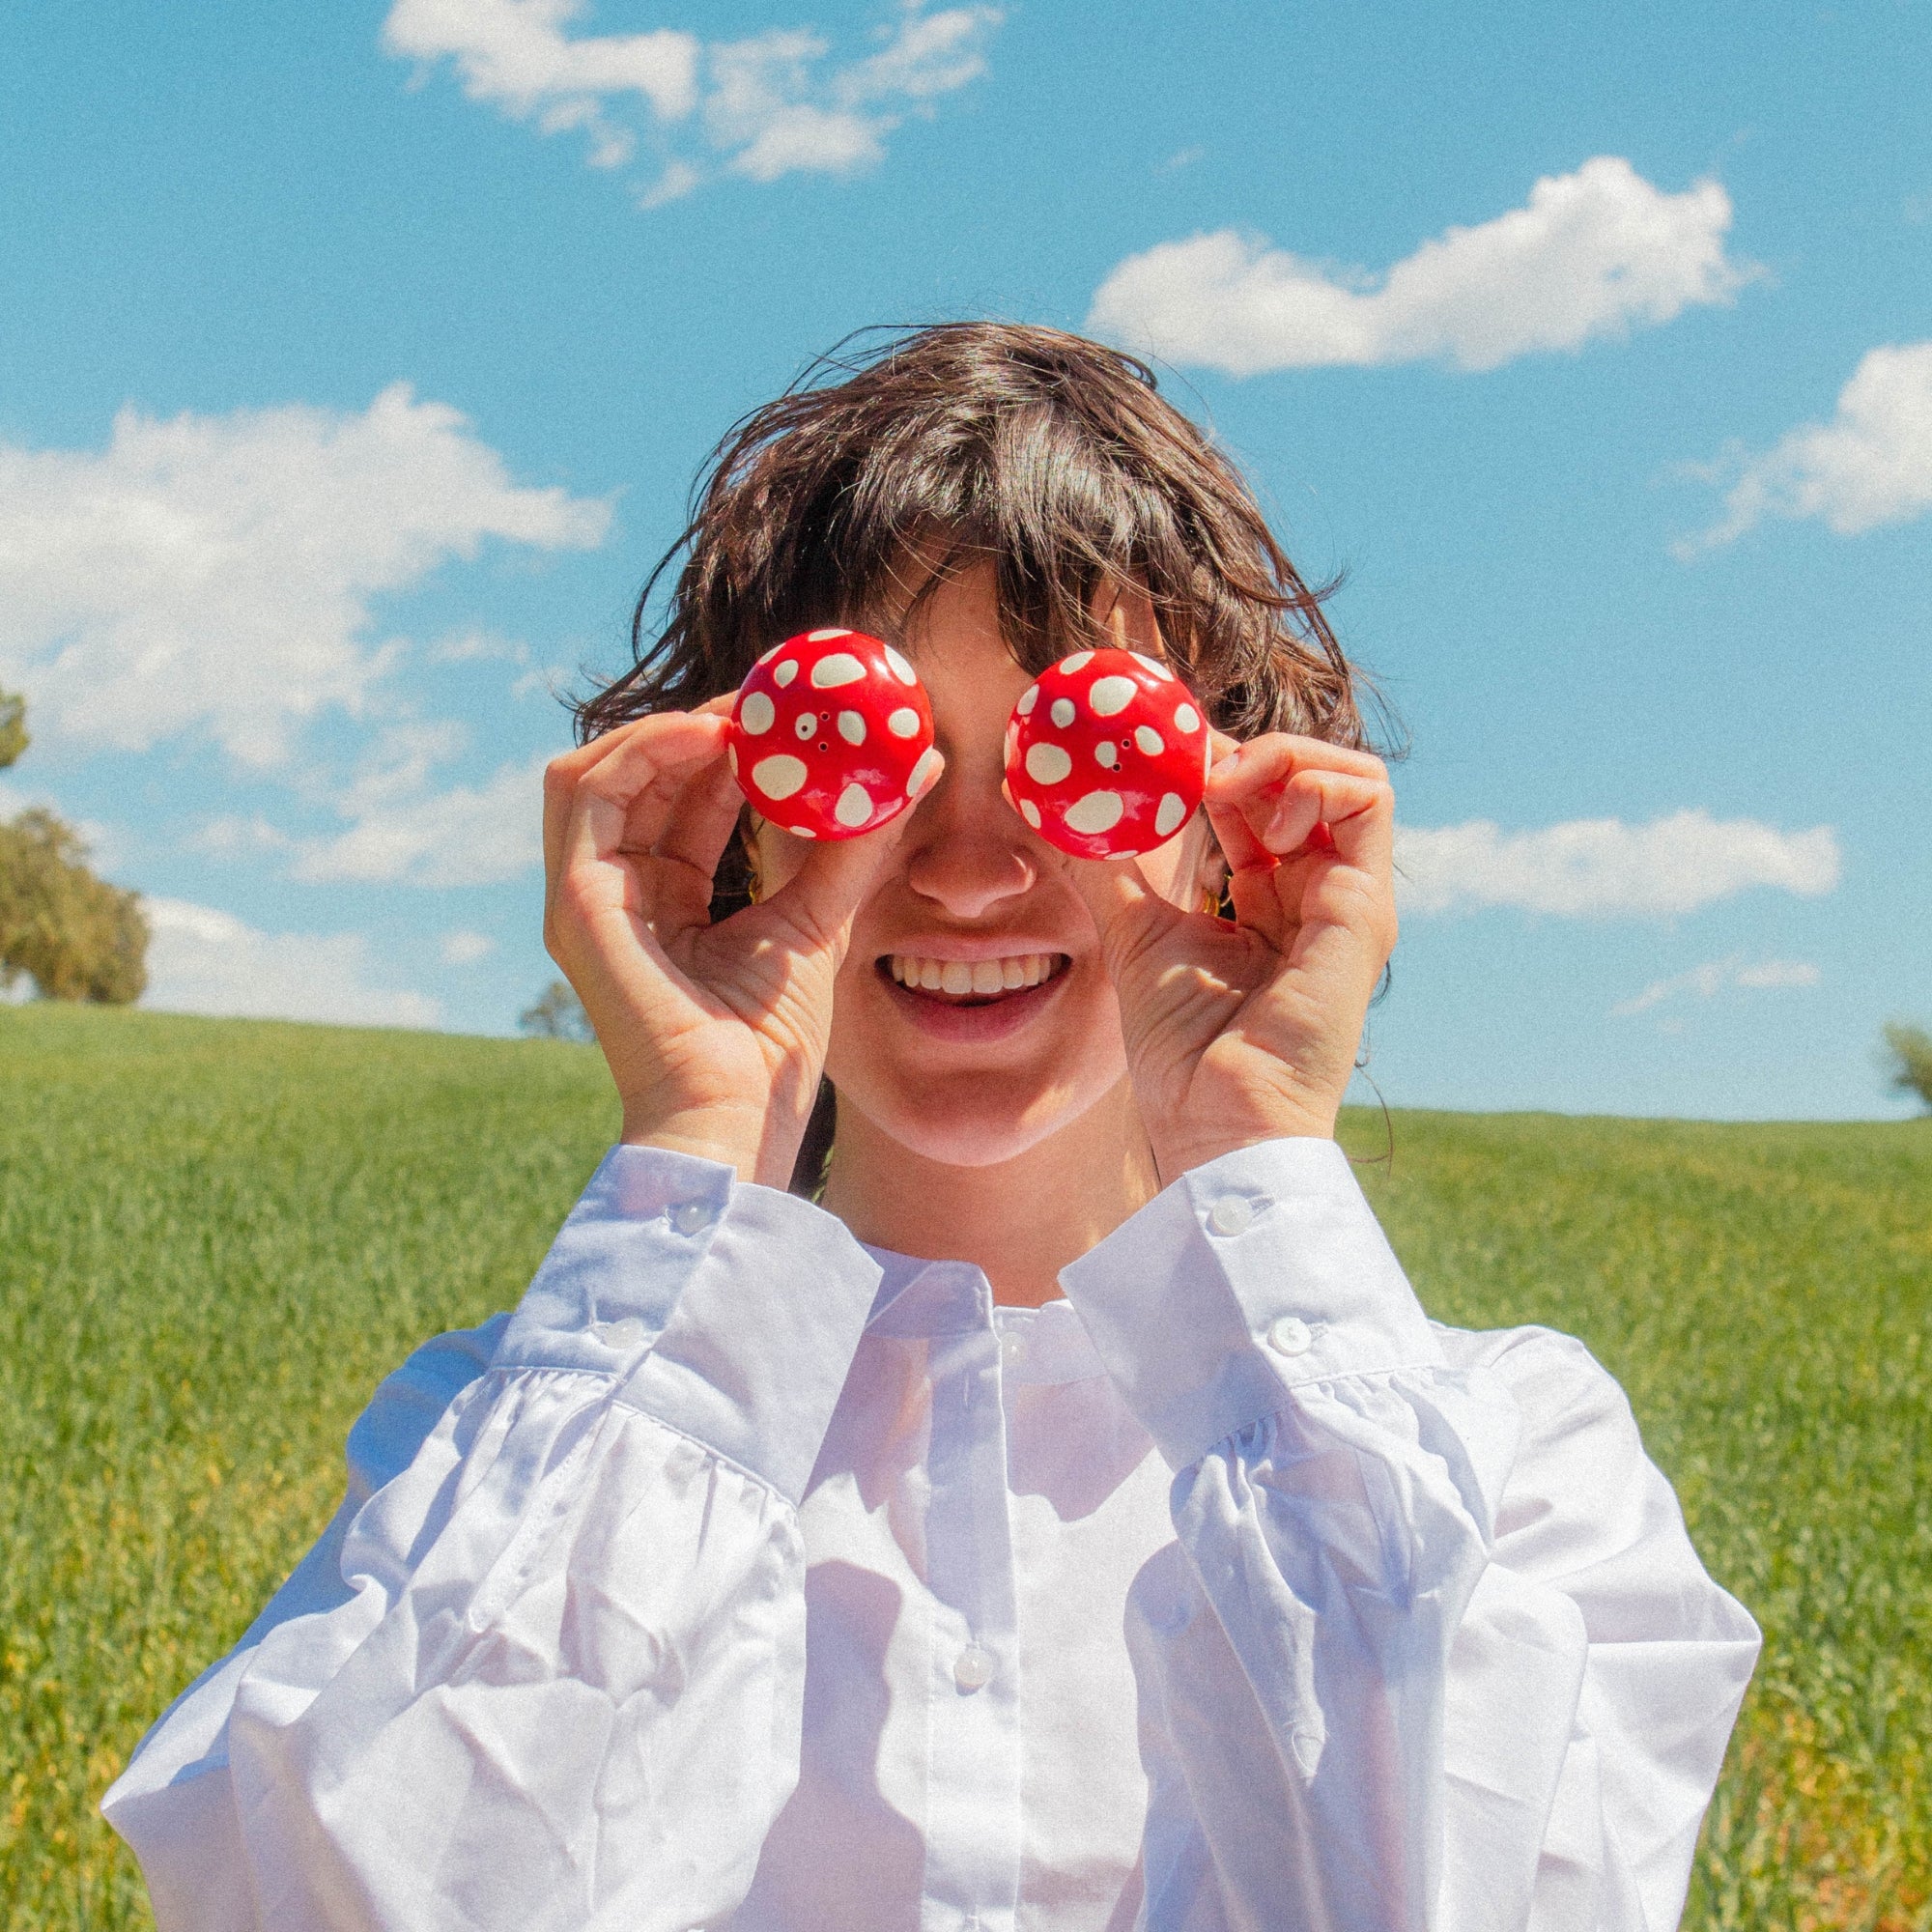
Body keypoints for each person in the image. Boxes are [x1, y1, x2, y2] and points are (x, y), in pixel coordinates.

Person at [103, 324, 1759, 1932]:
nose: (967, 870)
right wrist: (705, 1136)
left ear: (1230, 824)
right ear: (736, 819)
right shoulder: (507, 1454)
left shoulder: (1515, 1465)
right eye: (863, 762)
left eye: (1078, 757)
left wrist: (1256, 1164)